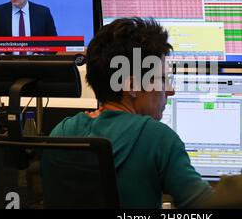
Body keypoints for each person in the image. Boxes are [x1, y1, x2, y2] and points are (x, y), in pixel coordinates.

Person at [45, 18, 212, 208]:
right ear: (131, 85)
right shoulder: (157, 138)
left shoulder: (61, 132)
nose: (169, 90)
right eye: (162, 79)